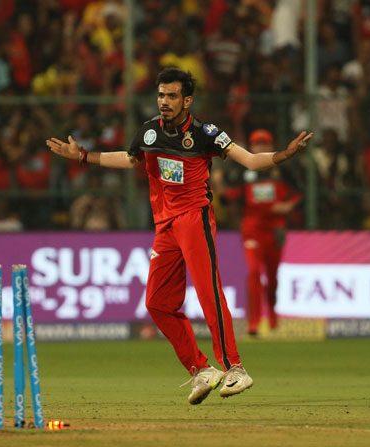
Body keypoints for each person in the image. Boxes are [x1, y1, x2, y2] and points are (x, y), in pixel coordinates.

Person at [47, 67, 312, 405]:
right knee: (157, 303)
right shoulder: (148, 134)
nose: (164, 102)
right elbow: (130, 160)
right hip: (165, 226)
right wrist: (84, 156)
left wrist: (284, 156)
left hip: (194, 217)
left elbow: (249, 160)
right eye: (161, 95)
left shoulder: (205, 133)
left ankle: (235, 368)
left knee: (207, 292)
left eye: (172, 96)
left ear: (187, 100)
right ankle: (201, 369)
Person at [220, 129, 301, 336]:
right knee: (254, 272)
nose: (261, 148)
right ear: (251, 147)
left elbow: (300, 193)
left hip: (276, 227)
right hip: (252, 227)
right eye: (257, 144)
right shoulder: (243, 171)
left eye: (265, 144)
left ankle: (272, 312)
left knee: (272, 277)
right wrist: (218, 185)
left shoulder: (283, 169)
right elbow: (229, 196)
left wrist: (288, 206)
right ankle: (254, 322)